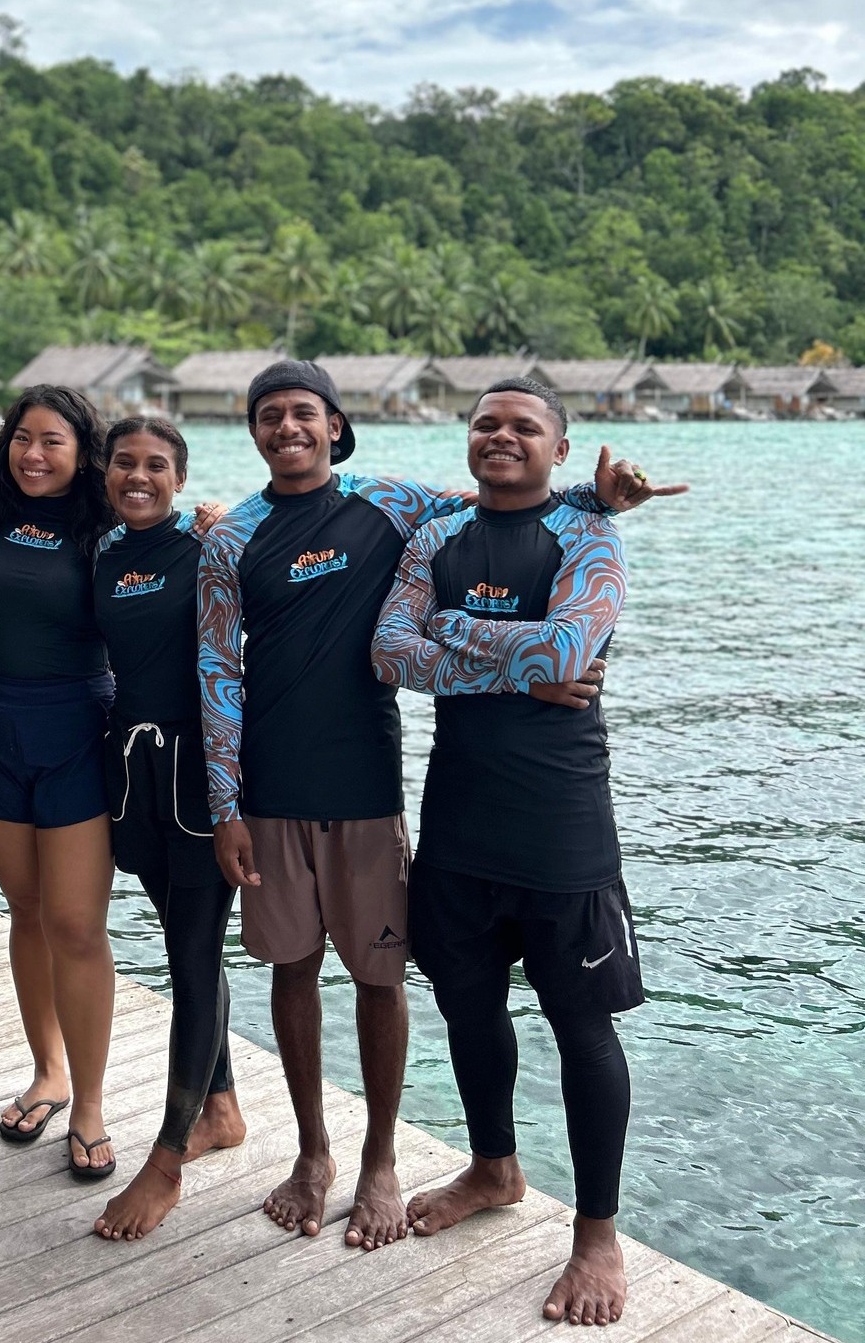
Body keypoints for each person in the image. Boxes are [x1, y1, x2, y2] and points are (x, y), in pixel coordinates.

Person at [199, 358, 669, 1251]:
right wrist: (226, 801)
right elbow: (378, 655)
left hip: (480, 810)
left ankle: (555, 1222)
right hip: (390, 811)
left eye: (306, 413)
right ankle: (411, 1162)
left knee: (526, 1012)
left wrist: (587, 503)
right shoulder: (303, 538)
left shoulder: (435, 510)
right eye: (269, 416)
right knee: (436, 998)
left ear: (338, 425)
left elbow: (561, 629)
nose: (288, 428)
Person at [370, 377, 652, 1327]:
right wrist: (515, 661)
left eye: (524, 426)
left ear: (560, 451)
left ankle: (598, 1234)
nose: (501, 436)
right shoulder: (434, 538)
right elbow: (388, 654)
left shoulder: (589, 535)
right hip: (458, 824)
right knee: (468, 1007)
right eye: (486, 422)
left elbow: (569, 653)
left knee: (583, 1029)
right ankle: (494, 1167)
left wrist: (456, 634)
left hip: (562, 828)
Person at [89, 418, 244, 1240]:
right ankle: (220, 1105)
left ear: (181, 479)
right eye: (125, 464)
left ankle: (169, 1157)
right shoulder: (104, 553)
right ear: (106, 473)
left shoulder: (211, 544)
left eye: (157, 466)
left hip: (202, 771)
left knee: (192, 953)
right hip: (134, 773)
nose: (139, 477)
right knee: (190, 942)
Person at [0, 385, 119, 1179]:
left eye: (52, 441)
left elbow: (175, 537)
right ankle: (47, 1070)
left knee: (77, 924)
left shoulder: (109, 526)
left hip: (75, 731)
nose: (33, 455)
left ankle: (88, 1102)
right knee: (25, 911)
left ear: (83, 451)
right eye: (22, 438)